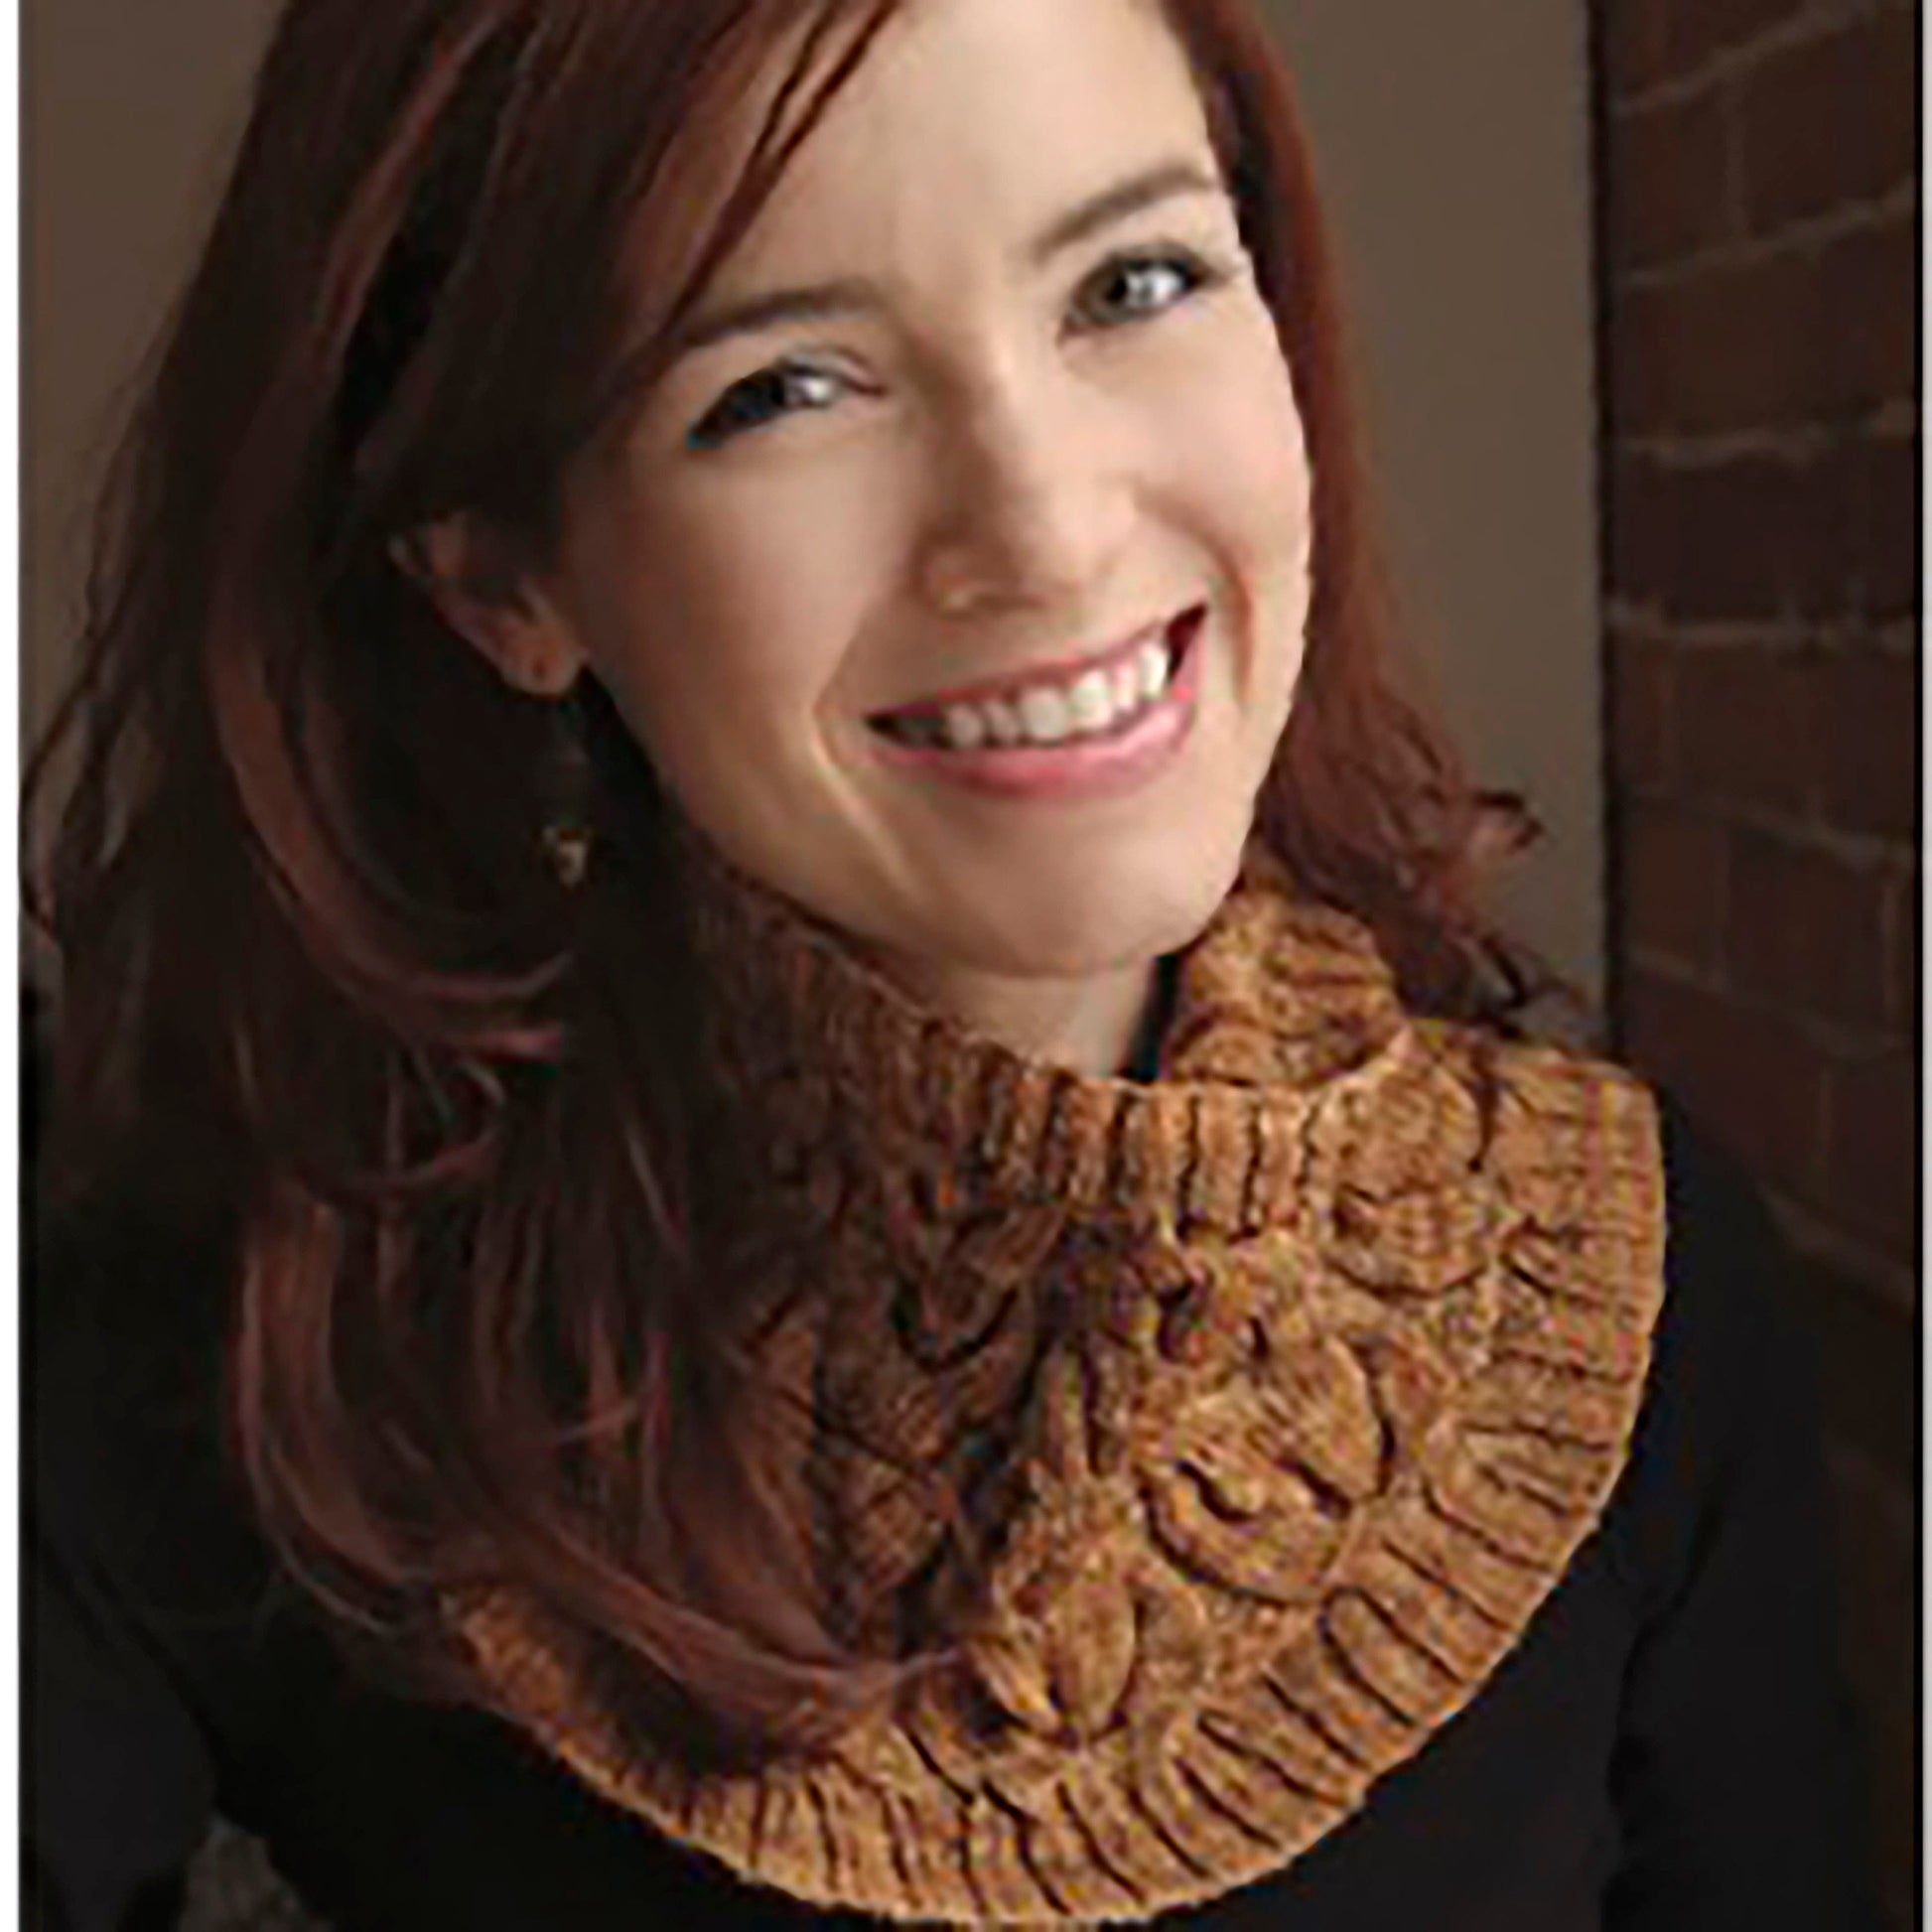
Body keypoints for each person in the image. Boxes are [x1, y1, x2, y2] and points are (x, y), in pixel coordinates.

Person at [25, 0, 1879, 1925]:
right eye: (782, 388)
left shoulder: (1635, 1292)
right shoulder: (252, 1345)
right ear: (501, 570)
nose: (1049, 527)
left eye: (1135, 276)